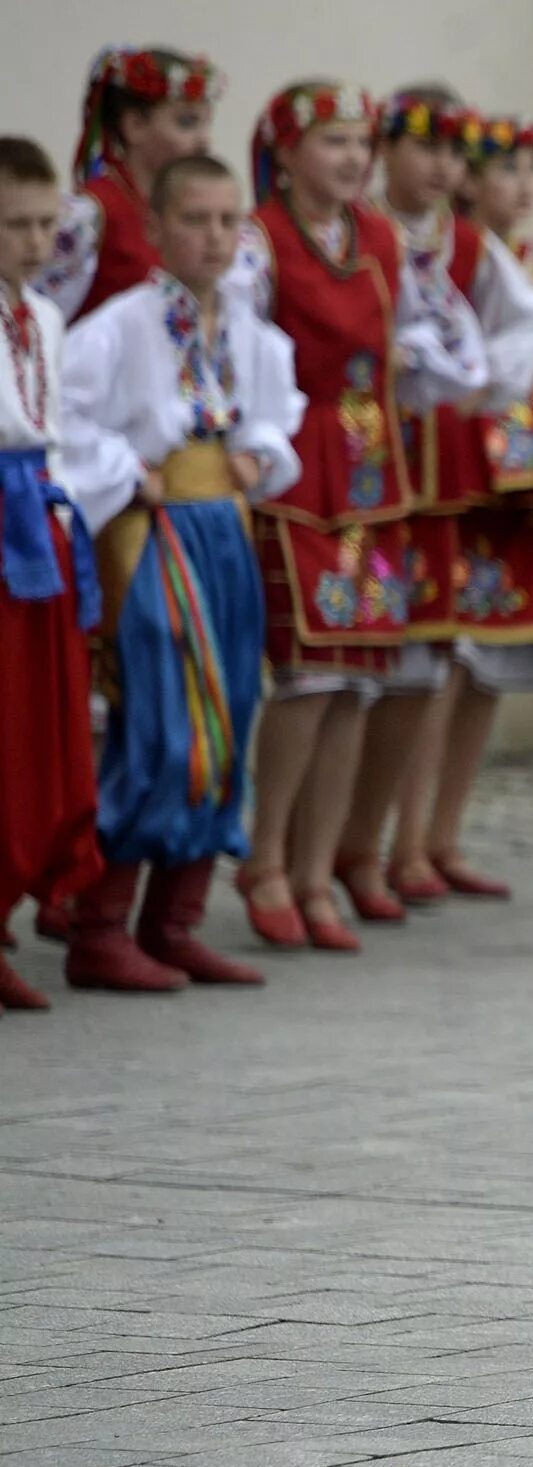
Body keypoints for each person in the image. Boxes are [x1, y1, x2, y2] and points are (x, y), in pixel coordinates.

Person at [227, 79, 484, 952]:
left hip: (373, 475)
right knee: (308, 675)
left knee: (358, 680)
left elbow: (434, 334)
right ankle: (264, 860)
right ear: (288, 150)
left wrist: (426, 366)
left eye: (360, 143)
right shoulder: (256, 241)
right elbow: (234, 346)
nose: (352, 159)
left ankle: (314, 872)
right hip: (297, 470)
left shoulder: (381, 238)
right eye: (332, 141)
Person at [58, 154, 304, 992]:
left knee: (228, 709)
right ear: (156, 230)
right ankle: (99, 930)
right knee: (161, 721)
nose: (212, 237)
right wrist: (130, 468)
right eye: (194, 220)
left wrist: (258, 454)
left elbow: (278, 414)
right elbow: (67, 420)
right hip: (151, 535)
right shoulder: (115, 328)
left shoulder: (248, 330)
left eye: (227, 220)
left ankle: (176, 923)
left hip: (224, 536)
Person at [334, 86, 533, 921]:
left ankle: (389, 846)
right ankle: (337, 850)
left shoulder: (465, 243)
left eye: (455, 154)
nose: (443, 168)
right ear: (388, 149)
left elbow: (522, 322)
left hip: (441, 475)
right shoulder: (359, 231)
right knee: (349, 666)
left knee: (427, 665)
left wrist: (483, 386)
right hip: (364, 469)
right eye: (427, 149)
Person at [385, 113, 533, 904]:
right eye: (503, 169)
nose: (522, 186)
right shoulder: (449, 260)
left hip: (518, 483)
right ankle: (403, 841)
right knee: (439, 662)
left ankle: (443, 837)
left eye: (529, 171)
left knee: (487, 670)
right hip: (452, 474)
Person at [0, 137, 102, 1015]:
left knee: (39, 721)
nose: (35, 243)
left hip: (38, 524)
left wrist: (64, 513)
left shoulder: (47, 318)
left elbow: (54, 429)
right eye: (15, 225)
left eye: (45, 224)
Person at [41, 46, 224, 324]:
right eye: (187, 123)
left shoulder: (189, 215)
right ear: (135, 125)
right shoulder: (89, 216)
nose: (204, 141)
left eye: (206, 124)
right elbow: (40, 321)